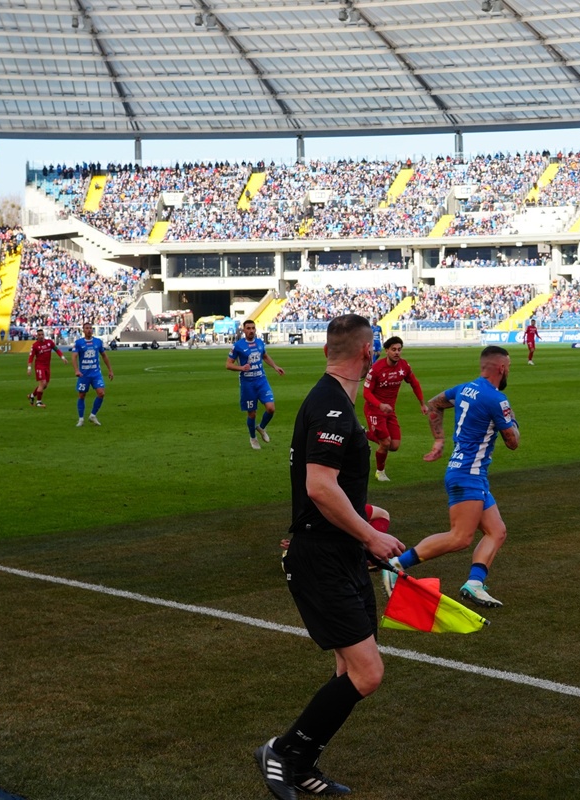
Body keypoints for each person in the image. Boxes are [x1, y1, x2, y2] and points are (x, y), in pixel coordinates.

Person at [255, 313, 406, 800]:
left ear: (326, 350)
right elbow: (319, 487)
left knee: (349, 670)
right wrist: (370, 536)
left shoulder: (336, 401)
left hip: (340, 554)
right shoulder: (332, 408)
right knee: (368, 672)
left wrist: (363, 512)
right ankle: (282, 751)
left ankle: (300, 764)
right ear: (368, 352)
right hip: (322, 558)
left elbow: (328, 486)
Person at [388, 345, 520, 608]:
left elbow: (434, 404)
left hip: (469, 472)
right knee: (460, 537)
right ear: (502, 368)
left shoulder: (464, 389)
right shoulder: (497, 399)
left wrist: (439, 440)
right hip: (468, 474)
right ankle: (396, 565)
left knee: (497, 531)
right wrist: (512, 419)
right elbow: (512, 442)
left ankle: (474, 584)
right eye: (509, 367)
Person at [362, 335, 438, 481]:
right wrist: (380, 405)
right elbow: (366, 392)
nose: (397, 352)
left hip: (390, 410)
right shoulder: (376, 369)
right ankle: (380, 472)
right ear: (386, 351)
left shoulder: (404, 366)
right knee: (385, 442)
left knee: (394, 445)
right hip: (374, 409)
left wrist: (422, 403)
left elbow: (414, 383)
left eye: (399, 349)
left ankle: (362, 434)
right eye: (393, 349)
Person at [226, 319, 285, 450]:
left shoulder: (259, 342)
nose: (251, 330)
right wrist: (241, 368)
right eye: (248, 328)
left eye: (253, 328)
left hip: (261, 380)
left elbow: (265, 356)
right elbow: (228, 364)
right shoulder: (238, 346)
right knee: (252, 414)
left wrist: (275, 366)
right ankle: (253, 438)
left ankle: (261, 427)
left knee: (271, 408)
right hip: (247, 383)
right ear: (244, 330)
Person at [72, 322, 114, 427]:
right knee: (82, 395)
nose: (89, 330)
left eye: (90, 328)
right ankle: (81, 419)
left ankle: (93, 415)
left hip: (96, 373)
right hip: (84, 374)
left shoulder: (98, 342)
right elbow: (74, 357)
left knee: (101, 393)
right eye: (87, 328)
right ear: (83, 330)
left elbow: (104, 355)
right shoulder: (79, 343)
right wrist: (76, 370)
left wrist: (110, 370)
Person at [27, 327, 68, 408]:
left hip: (47, 366)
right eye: (39, 335)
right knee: (42, 383)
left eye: (42, 334)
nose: (41, 336)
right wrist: (29, 368)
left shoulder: (49, 342)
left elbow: (57, 350)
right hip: (39, 366)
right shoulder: (35, 345)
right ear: (37, 336)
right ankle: (38, 402)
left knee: (45, 385)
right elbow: (31, 357)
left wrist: (63, 358)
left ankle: (32, 395)